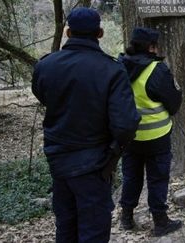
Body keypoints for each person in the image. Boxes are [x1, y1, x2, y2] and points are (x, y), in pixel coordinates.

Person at [31, 7, 140, 243]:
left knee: (66, 226)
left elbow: (43, 95)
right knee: (93, 231)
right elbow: (126, 123)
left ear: (68, 33)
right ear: (100, 33)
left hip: (58, 159)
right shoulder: (111, 69)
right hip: (94, 165)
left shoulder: (45, 66)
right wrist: (113, 154)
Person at [118, 27, 183, 237]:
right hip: (157, 137)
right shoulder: (157, 70)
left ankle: (126, 217)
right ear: (152, 47)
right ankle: (160, 222)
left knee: (131, 177)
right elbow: (173, 104)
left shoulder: (120, 66)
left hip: (129, 137)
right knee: (157, 179)